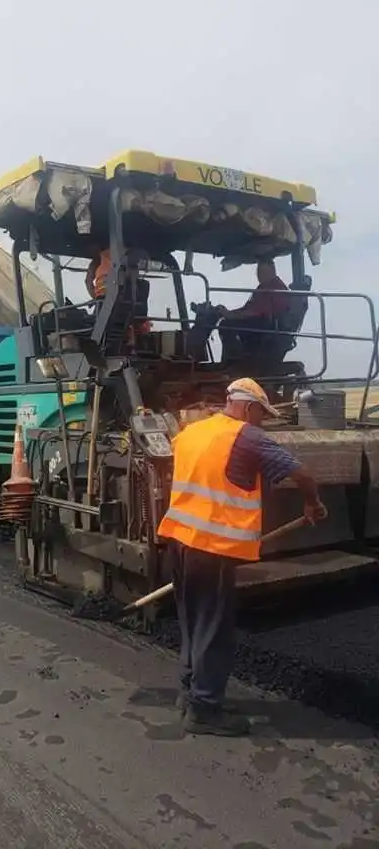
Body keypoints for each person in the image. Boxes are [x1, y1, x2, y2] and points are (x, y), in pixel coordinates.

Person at [157, 377, 326, 737]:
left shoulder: (193, 431)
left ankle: (190, 692)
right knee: (215, 628)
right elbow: (302, 473)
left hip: (180, 539)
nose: (261, 421)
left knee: (193, 621)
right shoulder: (247, 436)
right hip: (211, 546)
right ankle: (204, 709)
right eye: (260, 414)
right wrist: (312, 502)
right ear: (249, 408)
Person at [217, 259, 290, 359]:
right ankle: (234, 359)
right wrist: (228, 312)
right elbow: (248, 308)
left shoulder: (275, 288)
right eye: (258, 272)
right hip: (261, 321)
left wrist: (231, 316)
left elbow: (257, 312)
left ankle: (235, 361)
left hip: (269, 325)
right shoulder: (263, 287)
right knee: (227, 322)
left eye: (262, 272)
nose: (259, 275)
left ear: (271, 271)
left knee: (226, 325)